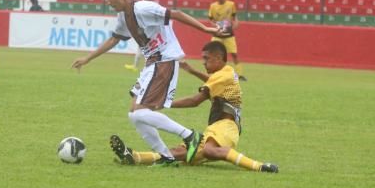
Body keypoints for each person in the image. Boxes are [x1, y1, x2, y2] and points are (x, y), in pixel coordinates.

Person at [71, 0, 225, 166]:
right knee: (133, 114)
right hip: (151, 63)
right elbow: (114, 39)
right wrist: (87, 59)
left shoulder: (144, 8)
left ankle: (191, 136)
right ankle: (166, 156)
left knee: (140, 112)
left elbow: (175, 14)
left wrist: (205, 28)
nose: (108, 2)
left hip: (164, 60)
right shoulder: (123, 17)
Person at [110, 41, 278, 173]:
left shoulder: (222, 75)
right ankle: (134, 156)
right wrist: (191, 70)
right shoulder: (225, 72)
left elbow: (195, 101)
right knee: (180, 152)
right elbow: (211, 80)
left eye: (207, 58)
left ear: (218, 58)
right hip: (217, 128)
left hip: (227, 127)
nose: (203, 62)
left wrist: (164, 104)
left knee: (210, 151)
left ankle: (259, 166)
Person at [208, 0, 246, 81]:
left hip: (229, 34)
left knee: (234, 54)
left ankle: (240, 75)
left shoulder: (231, 4)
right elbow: (211, 19)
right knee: (212, 54)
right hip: (217, 34)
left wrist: (236, 22)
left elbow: (234, 17)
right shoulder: (213, 6)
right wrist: (215, 26)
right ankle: (211, 73)